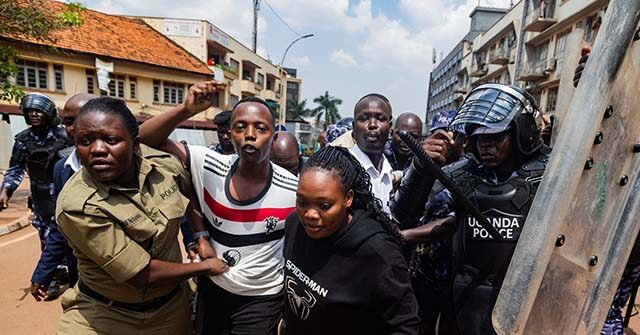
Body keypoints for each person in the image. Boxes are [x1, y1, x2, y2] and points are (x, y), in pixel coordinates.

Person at [55, 97, 227, 334]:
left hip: (171, 311)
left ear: (136, 144)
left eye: (110, 140)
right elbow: (140, 272)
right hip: (106, 316)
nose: (97, 150)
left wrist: (200, 235)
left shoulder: (161, 164)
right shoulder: (77, 204)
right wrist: (204, 267)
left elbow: (189, 193)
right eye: (85, 141)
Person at [139, 82, 298, 335]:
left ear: (274, 136)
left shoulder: (293, 189)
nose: (249, 134)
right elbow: (144, 139)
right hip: (213, 289)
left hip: (262, 300)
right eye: (240, 127)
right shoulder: (209, 164)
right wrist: (185, 109)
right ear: (230, 133)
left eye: (260, 128)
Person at [393, 83, 550, 335]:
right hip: (463, 300)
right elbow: (404, 216)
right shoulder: (463, 175)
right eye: (478, 138)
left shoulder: (549, 173)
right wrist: (420, 168)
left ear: (521, 131)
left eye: (495, 137)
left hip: (526, 301)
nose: (485, 146)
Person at [283, 146, 419, 334]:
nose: (310, 215)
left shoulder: (378, 253)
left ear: (348, 198)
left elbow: (405, 326)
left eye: (324, 205)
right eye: (302, 202)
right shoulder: (294, 224)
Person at [398, 110, 467, 335]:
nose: (443, 141)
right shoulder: (419, 165)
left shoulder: (470, 172)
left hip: (454, 271)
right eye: (438, 134)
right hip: (421, 268)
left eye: (450, 135)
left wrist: (406, 235)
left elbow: (453, 221)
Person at [30, 93, 96, 302]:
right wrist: (43, 272)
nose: (75, 127)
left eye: (83, 119)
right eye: (68, 121)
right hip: (81, 274)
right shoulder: (62, 169)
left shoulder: (126, 165)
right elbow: (61, 225)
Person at [0, 93, 72, 246]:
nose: (34, 114)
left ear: (49, 113)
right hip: (40, 198)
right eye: (30, 111)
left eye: (38, 111)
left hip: (65, 196)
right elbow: (16, 168)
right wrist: (6, 190)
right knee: (47, 240)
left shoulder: (66, 137)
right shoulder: (23, 139)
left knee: (71, 240)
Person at [350, 93, 394, 213]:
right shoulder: (342, 168)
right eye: (364, 119)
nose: (373, 125)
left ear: (390, 128)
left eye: (380, 118)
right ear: (354, 127)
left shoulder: (389, 170)